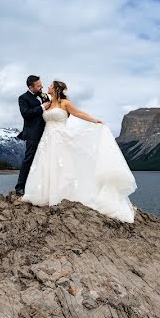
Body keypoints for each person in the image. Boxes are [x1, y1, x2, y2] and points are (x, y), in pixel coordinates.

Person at [21, 80, 137, 223]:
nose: (47, 87)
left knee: (63, 167)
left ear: (56, 89)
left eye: (51, 85)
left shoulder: (65, 103)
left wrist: (94, 120)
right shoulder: (48, 102)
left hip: (60, 138)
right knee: (46, 165)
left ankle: (62, 195)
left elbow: (79, 113)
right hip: (47, 139)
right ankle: (45, 194)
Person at [14, 75, 50, 196]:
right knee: (29, 159)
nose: (42, 87)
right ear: (31, 87)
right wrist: (42, 107)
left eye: (41, 85)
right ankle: (20, 187)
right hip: (32, 134)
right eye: (39, 86)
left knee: (44, 160)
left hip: (47, 133)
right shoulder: (23, 98)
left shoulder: (44, 96)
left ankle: (37, 187)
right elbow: (26, 114)